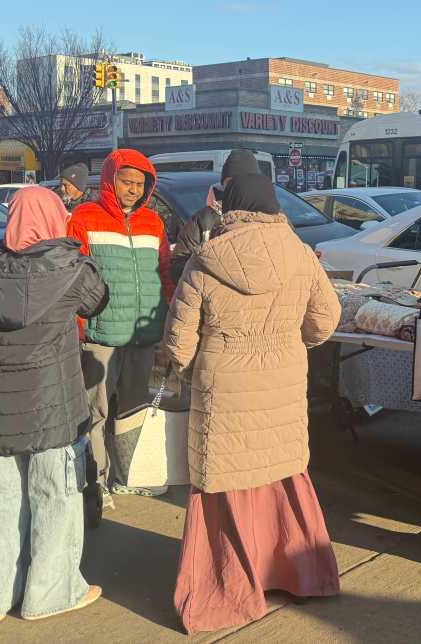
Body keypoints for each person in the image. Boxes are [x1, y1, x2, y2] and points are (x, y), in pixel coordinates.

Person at [163, 173, 342, 634]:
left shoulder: (205, 261)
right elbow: (325, 321)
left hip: (224, 388)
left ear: (230, 207)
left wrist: (174, 369)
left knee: (226, 482)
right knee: (280, 475)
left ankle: (229, 589)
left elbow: (179, 344)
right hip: (281, 381)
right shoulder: (301, 255)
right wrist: (290, 339)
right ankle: (296, 572)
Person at [0, 187, 109, 623]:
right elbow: (100, 301)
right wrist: (74, 248)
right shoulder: (72, 268)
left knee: (0, 502)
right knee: (55, 497)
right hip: (54, 406)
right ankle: (49, 594)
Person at [68, 149, 173, 503]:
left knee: (133, 409)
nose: (133, 189)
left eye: (140, 184)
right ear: (111, 181)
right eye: (126, 181)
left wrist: (167, 317)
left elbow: (164, 274)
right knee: (95, 411)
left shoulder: (154, 224)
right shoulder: (84, 217)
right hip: (102, 334)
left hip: (143, 335)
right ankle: (94, 483)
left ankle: (129, 473)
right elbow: (75, 276)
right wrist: (81, 325)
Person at [169, 148, 260, 285]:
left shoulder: (274, 218)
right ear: (223, 184)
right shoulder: (204, 221)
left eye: (241, 182)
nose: (235, 188)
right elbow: (178, 266)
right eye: (230, 183)